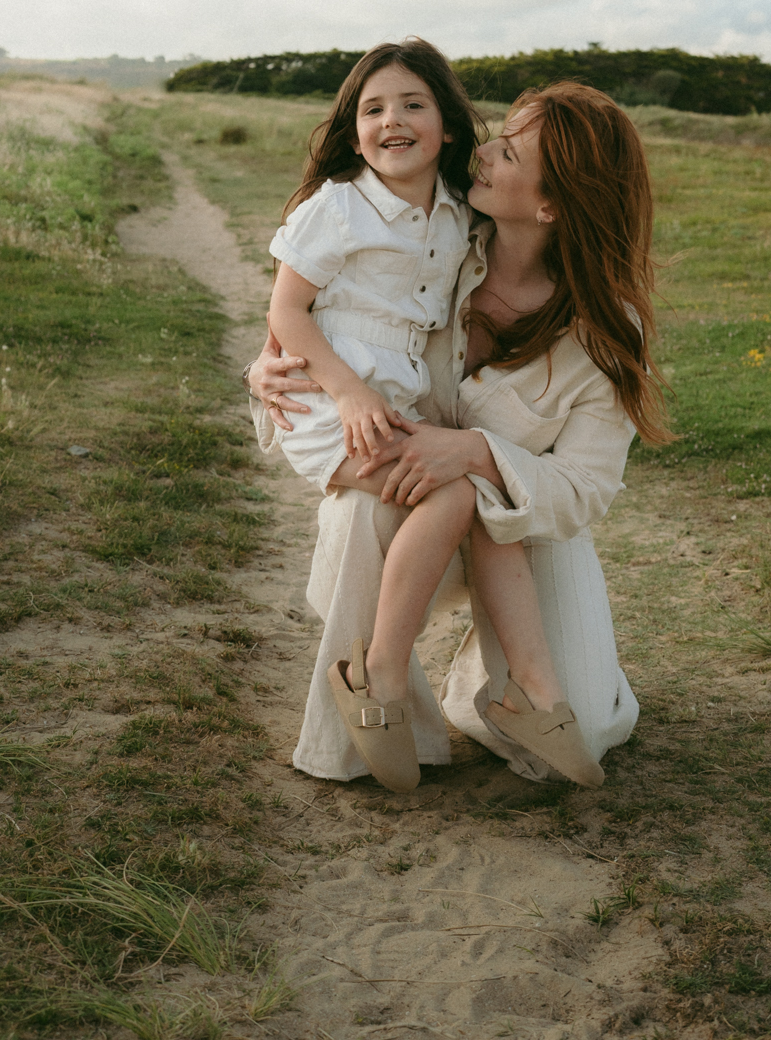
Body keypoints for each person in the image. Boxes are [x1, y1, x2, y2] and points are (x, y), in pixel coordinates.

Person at [249, 80, 670, 788]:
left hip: (522, 532)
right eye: (496, 137)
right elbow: (329, 319)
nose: (484, 154)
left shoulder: (606, 335)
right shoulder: (435, 247)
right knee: (360, 509)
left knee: (582, 736)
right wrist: (264, 367)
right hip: (407, 508)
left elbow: (586, 491)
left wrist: (477, 454)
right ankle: (361, 717)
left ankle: (516, 686)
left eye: (508, 153)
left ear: (549, 205)